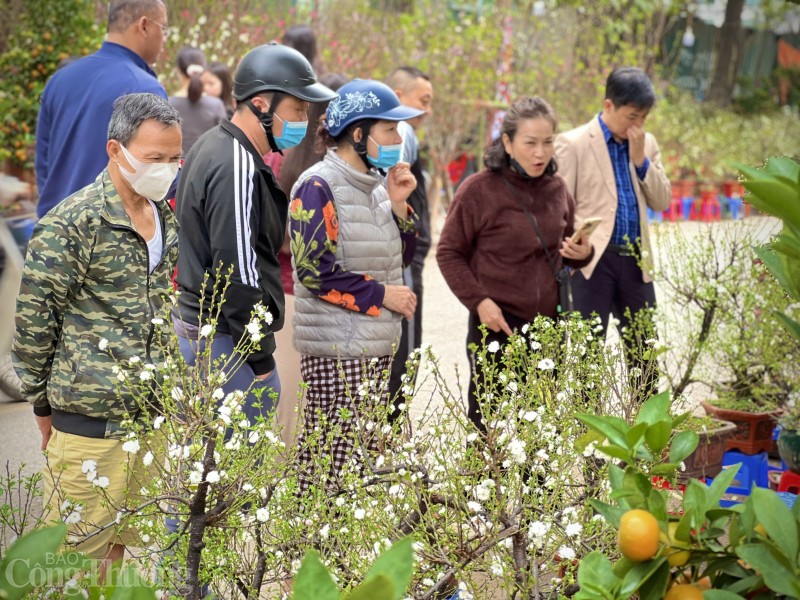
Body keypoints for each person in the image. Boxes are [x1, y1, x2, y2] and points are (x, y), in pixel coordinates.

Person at [14, 93, 182, 567]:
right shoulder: (72, 224)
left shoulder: (163, 218)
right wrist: (44, 407)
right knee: (70, 565)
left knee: (117, 555)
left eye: (174, 158)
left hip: (148, 422)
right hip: (89, 426)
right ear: (115, 150)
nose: (166, 169)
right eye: (154, 158)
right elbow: (32, 328)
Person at [172, 43, 336, 428]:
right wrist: (260, 359)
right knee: (239, 471)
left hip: (207, 331)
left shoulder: (215, 144)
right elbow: (239, 271)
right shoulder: (238, 163)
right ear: (262, 104)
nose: (304, 119)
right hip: (227, 342)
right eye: (297, 109)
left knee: (212, 467)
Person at [289, 79, 421, 489]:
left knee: (357, 472)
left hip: (371, 346)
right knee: (329, 472)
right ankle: (311, 553)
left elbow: (396, 259)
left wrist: (399, 204)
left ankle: (343, 554)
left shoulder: (378, 186)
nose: (399, 139)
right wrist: (384, 296)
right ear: (359, 134)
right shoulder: (318, 186)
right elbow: (313, 272)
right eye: (390, 130)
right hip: (337, 351)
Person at [437, 96, 593, 431]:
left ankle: (537, 487)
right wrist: (480, 302)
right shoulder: (479, 190)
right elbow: (449, 252)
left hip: (547, 329)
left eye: (548, 142)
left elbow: (564, 248)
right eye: (530, 143)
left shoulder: (558, 188)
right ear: (507, 143)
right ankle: (483, 484)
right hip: (496, 324)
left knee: (539, 433)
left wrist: (584, 254)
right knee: (488, 428)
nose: (540, 153)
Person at [554, 67, 671, 394]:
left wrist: (640, 161)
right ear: (608, 106)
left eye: (644, 118)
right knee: (588, 355)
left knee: (645, 355)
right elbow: (560, 207)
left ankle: (647, 433)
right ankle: (586, 438)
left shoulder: (646, 145)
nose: (638, 126)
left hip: (636, 261)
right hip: (593, 263)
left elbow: (661, 201)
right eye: (632, 116)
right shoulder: (574, 143)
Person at [35, 0, 169, 218]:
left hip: (55, 234)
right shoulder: (144, 87)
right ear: (144, 25)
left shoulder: (60, 80)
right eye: (163, 29)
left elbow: (43, 163)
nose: (164, 40)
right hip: (110, 240)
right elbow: (158, 176)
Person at [273, 72, 348, 446]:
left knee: (286, 415)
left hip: (283, 299)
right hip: (329, 305)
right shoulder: (338, 175)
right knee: (320, 418)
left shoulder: (276, 163)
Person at [384, 66, 434, 421]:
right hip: (402, 260)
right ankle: (393, 429)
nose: (428, 109)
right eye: (424, 100)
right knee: (404, 348)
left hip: (400, 255)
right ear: (399, 98)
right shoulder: (402, 130)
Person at [169, 46, 226, 156]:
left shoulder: (167, 103)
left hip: (175, 170)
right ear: (203, 71)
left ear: (179, 71)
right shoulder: (215, 105)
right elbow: (224, 143)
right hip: (207, 169)